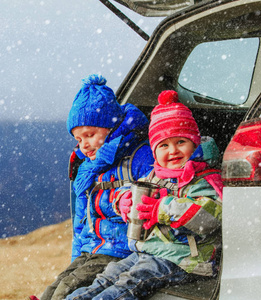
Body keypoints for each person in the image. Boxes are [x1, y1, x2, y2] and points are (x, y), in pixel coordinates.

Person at [66, 90, 223, 300]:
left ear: (194, 143)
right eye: (164, 145)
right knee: (108, 276)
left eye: (181, 142)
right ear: (154, 151)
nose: (173, 150)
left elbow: (209, 217)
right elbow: (131, 190)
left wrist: (164, 209)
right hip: (151, 250)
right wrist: (121, 201)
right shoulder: (156, 175)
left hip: (184, 258)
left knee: (130, 283)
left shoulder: (202, 178)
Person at [33, 74, 154, 300]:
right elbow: (81, 225)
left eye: (89, 135)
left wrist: (118, 201)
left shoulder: (139, 156)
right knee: (52, 290)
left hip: (119, 252)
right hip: (92, 251)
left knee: (67, 291)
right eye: (78, 139)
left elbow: (156, 195)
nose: (84, 145)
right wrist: (76, 258)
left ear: (110, 126)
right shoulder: (87, 170)